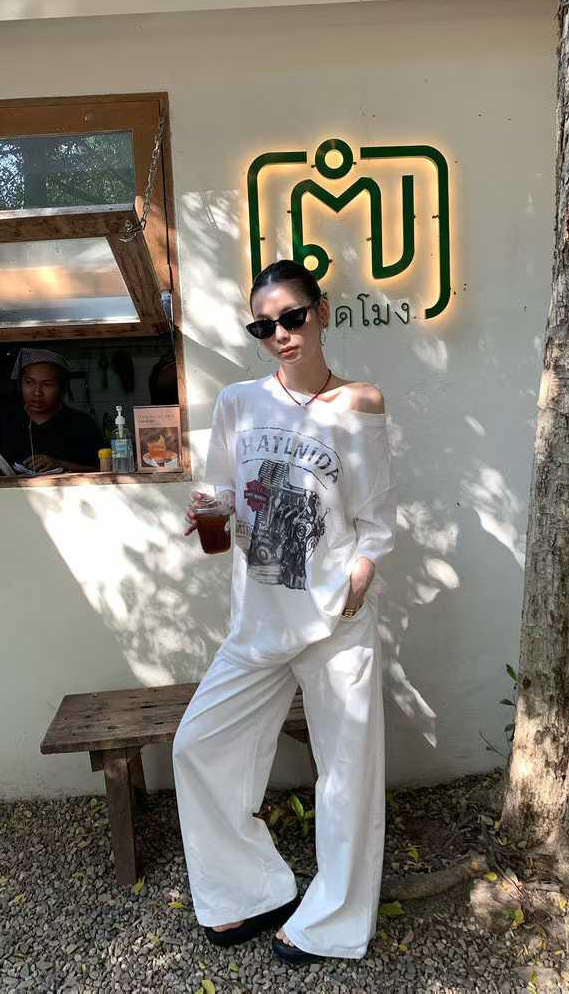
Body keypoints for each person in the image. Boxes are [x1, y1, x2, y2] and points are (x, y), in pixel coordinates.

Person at [174, 259, 396, 966]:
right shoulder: (238, 402)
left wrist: (358, 577)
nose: (280, 335)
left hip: (335, 620)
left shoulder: (360, 402)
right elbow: (221, 491)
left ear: (321, 312)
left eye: (292, 317)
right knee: (199, 746)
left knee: (347, 775)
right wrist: (208, 514)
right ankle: (249, 891)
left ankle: (332, 922)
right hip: (259, 619)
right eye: (263, 326)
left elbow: (376, 518)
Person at [0, 348, 104, 473]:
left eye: (47, 385)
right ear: (20, 383)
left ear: (61, 388)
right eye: (29, 382)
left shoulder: (82, 425)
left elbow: (103, 469)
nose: (37, 392)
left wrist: (60, 464)